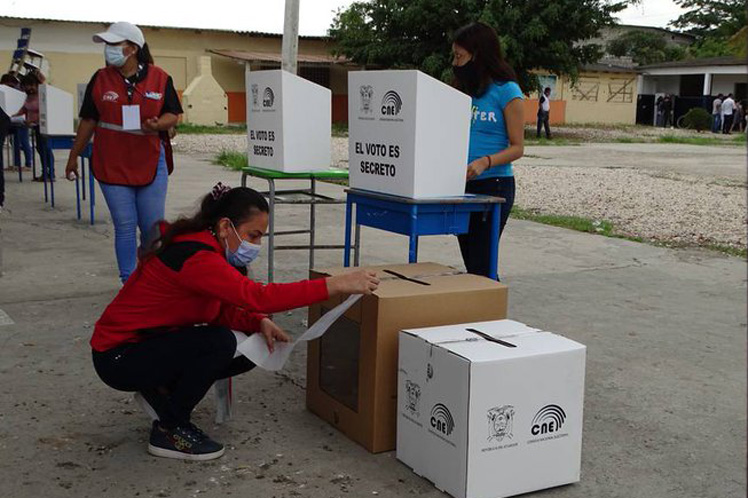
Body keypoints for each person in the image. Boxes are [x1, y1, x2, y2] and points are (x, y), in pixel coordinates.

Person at [91, 184, 380, 460]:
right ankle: (171, 428)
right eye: (253, 235)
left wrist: (257, 322)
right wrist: (336, 285)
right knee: (219, 342)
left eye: (261, 238)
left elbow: (214, 310)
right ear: (225, 226)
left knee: (253, 347)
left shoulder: (208, 250)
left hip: (145, 345)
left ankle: (161, 392)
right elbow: (258, 297)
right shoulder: (197, 256)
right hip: (118, 356)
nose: (255, 245)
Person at [64, 22, 182, 284]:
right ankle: (129, 283)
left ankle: (153, 280)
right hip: (111, 164)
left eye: (113, 45)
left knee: (152, 230)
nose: (108, 50)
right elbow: (88, 121)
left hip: (151, 163)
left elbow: (175, 114)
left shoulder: (160, 78)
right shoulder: (100, 78)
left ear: (131, 48)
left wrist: (159, 124)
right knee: (125, 226)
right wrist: (73, 157)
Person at [451, 22, 524, 279]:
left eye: (460, 56)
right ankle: (481, 310)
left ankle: (491, 314)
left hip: (494, 185)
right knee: (472, 263)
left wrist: (485, 161)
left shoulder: (507, 91)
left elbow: (517, 147)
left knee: (482, 264)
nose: (456, 63)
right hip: (463, 186)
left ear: (478, 54)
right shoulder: (464, 90)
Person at [14, 71, 48, 181]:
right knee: (39, 148)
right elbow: (24, 108)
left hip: (44, 125)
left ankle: (50, 172)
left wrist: (32, 119)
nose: (28, 88)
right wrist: (13, 115)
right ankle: (45, 172)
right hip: (35, 126)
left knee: (45, 149)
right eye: (26, 86)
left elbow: (44, 111)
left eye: (30, 85)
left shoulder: (43, 94)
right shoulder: (29, 95)